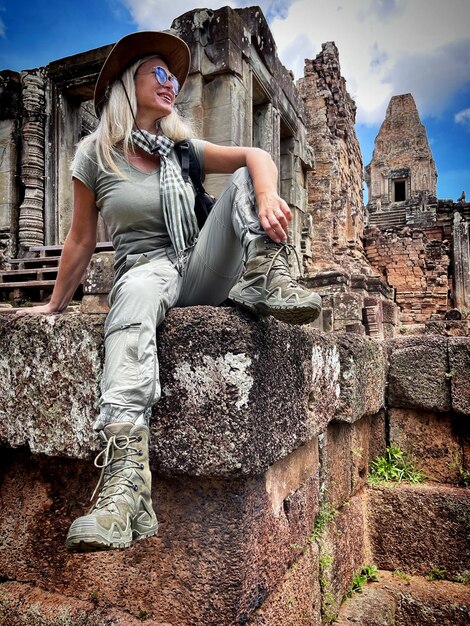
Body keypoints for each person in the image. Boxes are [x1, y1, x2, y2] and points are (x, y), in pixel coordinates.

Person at [17, 31, 321, 551]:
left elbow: (257, 155)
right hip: (146, 271)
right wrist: (53, 303)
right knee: (133, 291)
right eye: (158, 72)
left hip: (198, 265)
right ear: (124, 84)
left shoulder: (182, 150)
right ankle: (126, 487)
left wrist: (269, 194)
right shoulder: (95, 155)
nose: (170, 82)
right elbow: (81, 237)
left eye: (175, 76)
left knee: (249, 176)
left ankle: (265, 277)